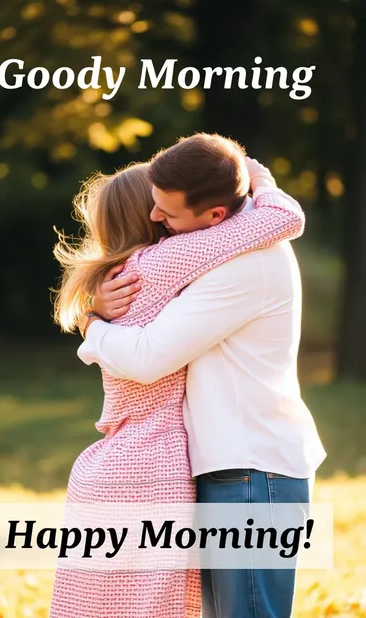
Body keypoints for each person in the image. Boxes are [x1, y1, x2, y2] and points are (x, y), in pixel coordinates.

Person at [50, 133, 306, 618]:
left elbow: (148, 357)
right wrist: (261, 180)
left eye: (166, 210)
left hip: (249, 465)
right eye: (152, 206)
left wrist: (90, 320)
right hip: (207, 462)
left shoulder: (239, 259)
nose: (156, 218)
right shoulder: (195, 255)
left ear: (212, 216)